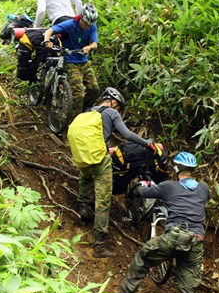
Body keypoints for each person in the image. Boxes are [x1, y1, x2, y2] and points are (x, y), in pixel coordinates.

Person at [110, 152, 210, 293]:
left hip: (173, 237)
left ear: (176, 169)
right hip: (195, 242)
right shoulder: (204, 189)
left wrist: (140, 186)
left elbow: (145, 193)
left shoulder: (169, 187)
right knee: (187, 292)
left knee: (144, 256)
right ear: (192, 170)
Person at [68, 87, 159, 258]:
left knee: (86, 175)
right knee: (103, 200)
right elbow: (126, 134)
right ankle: (99, 245)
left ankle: (83, 206)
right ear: (114, 102)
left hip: (82, 156)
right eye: (119, 108)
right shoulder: (111, 112)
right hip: (100, 160)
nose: (118, 111)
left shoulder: (89, 111)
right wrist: (146, 143)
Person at [43, 2, 100, 119]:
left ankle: (83, 113)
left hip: (84, 61)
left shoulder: (92, 26)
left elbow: (95, 44)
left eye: (90, 24)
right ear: (81, 19)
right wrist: (46, 41)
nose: (87, 27)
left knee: (94, 89)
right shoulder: (70, 24)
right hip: (70, 62)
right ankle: (73, 122)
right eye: (86, 23)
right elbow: (50, 30)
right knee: (78, 93)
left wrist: (89, 47)